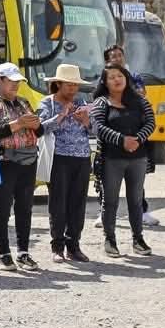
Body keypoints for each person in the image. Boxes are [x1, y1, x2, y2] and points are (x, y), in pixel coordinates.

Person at [35, 64, 96, 263]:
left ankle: (74, 245)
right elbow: (41, 128)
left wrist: (86, 121)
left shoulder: (82, 102)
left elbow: (95, 131)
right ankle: (57, 246)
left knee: (78, 204)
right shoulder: (48, 103)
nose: (73, 89)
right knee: (58, 203)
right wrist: (61, 115)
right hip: (58, 158)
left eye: (75, 85)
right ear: (58, 84)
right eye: (69, 84)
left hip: (81, 158)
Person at [0, 64, 42, 270]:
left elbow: (40, 130)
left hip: (28, 160)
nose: (16, 85)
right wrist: (19, 124)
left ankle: (23, 252)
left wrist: (36, 125)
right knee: (1, 208)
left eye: (17, 81)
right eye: (11, 81)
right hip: (5, 161)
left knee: (25, 207)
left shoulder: (24, 102)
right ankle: (4, 253)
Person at [93, 64, 154, 257]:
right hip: (112, 159)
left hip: (138, 158)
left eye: (120, 75)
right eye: (111, 77)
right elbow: (98, 128)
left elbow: (151, 122)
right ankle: (110, 239)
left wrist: (137, 140)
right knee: (110, 201)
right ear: (105, 82)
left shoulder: (139, 100)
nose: (117, 80)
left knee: (135, 201)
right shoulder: (101, 102)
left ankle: (138, 239)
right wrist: (122, 140)